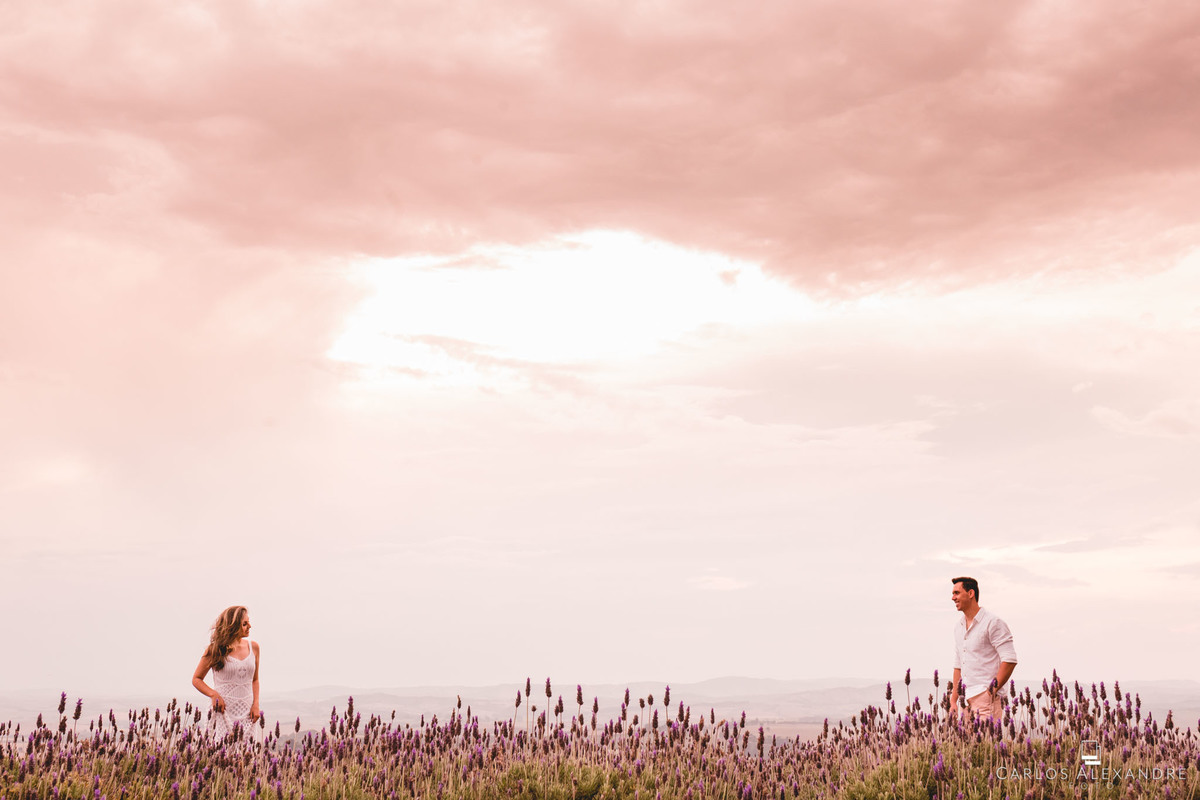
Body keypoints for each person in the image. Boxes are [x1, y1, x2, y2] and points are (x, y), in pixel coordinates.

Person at [949, 577, 1016, 720]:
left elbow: (1009, 659)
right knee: (967, 743)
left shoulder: (993, 622)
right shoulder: (958, 627)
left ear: (971, 593)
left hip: (985, 699)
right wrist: (953, 700)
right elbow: (958, 665)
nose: (953, 598)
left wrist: (991, 691)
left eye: (957, 593)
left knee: (986, 742)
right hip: (965, 700)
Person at [192, 605, 261, 739]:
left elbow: (255, 680)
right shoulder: (214, 650)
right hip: (222, 712)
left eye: (249, 622)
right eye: (245, 624)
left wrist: (256, 704)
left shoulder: (254, 648)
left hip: (248, 714)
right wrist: (213, 694)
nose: (250, 626)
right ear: (233, 625)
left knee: (246, 757)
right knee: (219, 756)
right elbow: (196, 679)